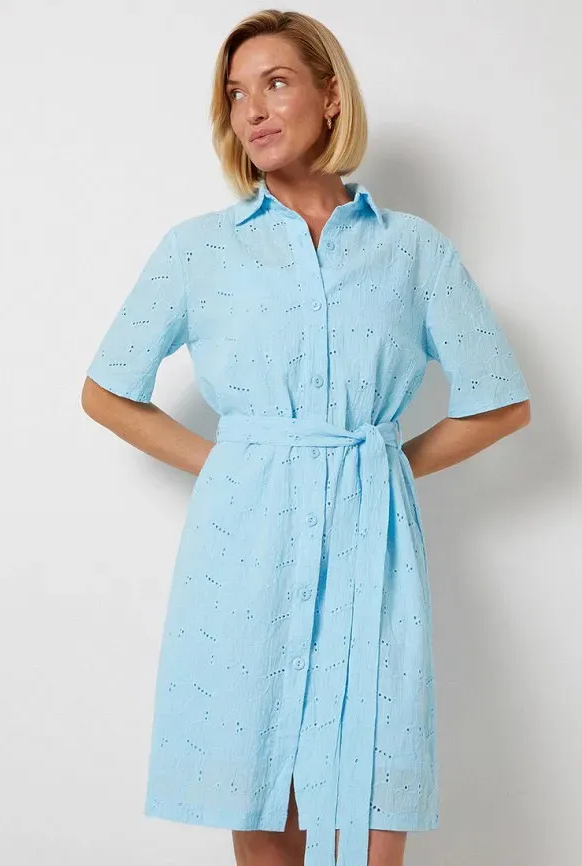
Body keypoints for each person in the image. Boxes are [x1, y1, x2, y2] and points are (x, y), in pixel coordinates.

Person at [81, 9, 531, 866]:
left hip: (372, 543)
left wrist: (384, 466)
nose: (252, 109)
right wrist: (225, 461)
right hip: (243, 545)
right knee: (264, 802)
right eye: (235, 93)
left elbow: (500, 403)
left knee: (370, 810)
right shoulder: (199, 251)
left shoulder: (413, 252)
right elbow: (105, 390)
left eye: (276, 83)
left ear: (331, 97)